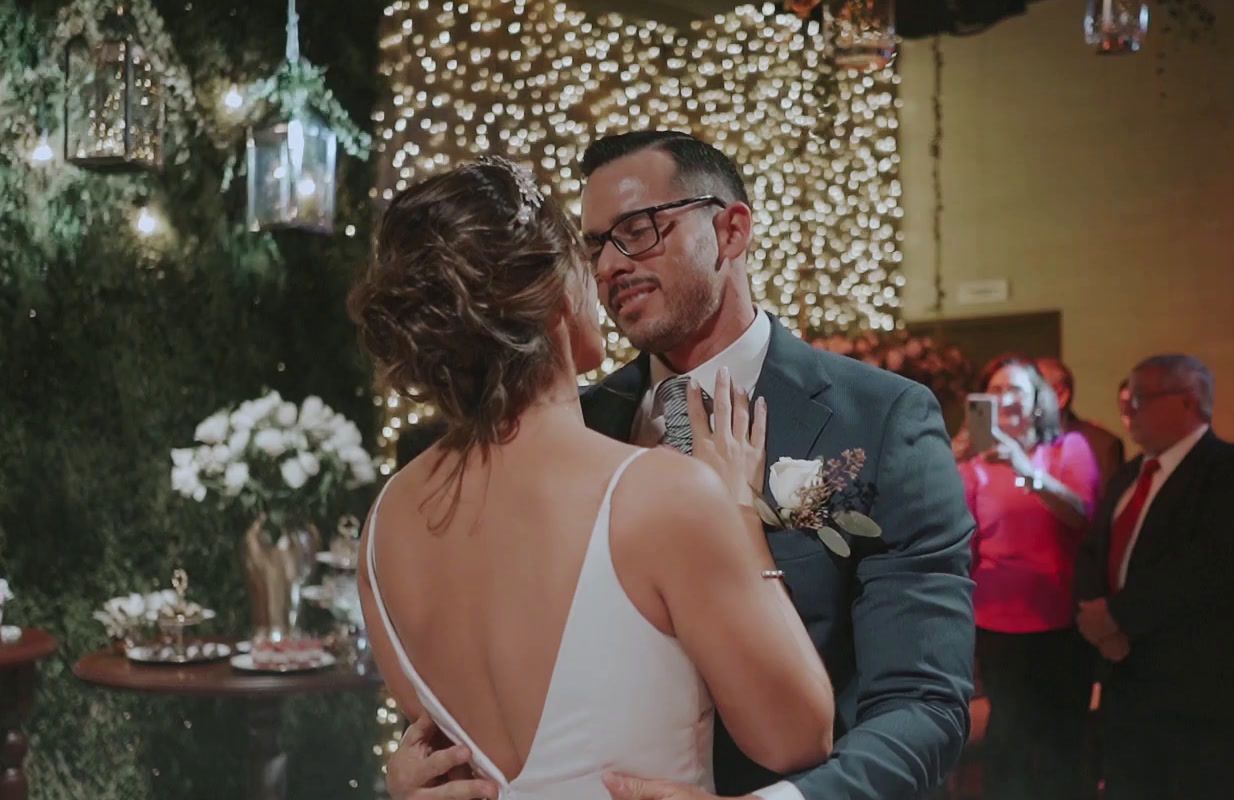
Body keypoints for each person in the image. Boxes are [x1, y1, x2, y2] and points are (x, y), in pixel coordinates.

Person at [386, 131, 976, 800]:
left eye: (638, 231)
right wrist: (425, 770)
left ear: (730, 231)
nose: (609, 266)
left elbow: (924, 704)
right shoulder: (562, 426)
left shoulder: (879, 420)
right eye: (594, 246)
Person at [348, 156, 835, 800]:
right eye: (586, 258)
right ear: (555, 292)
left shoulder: (384, 531)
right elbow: (797, 735)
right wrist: (738, 512)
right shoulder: (661, 495)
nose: (604, 274)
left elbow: (442, 756)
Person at [1074, 354, 1234, 800]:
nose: (1128, 413)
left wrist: (1118, 617)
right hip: (1127, 674)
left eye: (1140, 399)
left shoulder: (1233, 468)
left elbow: (1209, 563)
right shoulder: (1128, 474)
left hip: (1197, 683)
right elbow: (1091, 552)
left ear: (1189, 401)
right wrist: (1093, 615)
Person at [959, 357, 1098, 800]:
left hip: (1060, 618)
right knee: (1009, 736)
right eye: (995, 390)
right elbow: (955, 536)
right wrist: (944, 459)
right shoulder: (974, 464)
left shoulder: (1067, 449)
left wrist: (1025, 468)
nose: (1004, 399)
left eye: (1015, 389)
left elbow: (1082, 515)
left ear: (1040, 401)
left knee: (1063, 738)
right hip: (996, 620)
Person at [1036, 356, 1125, 488]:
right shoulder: (1011, 443)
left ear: (1060, 396)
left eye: (1033, 391)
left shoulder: (1099, 446)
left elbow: (1104, 506)